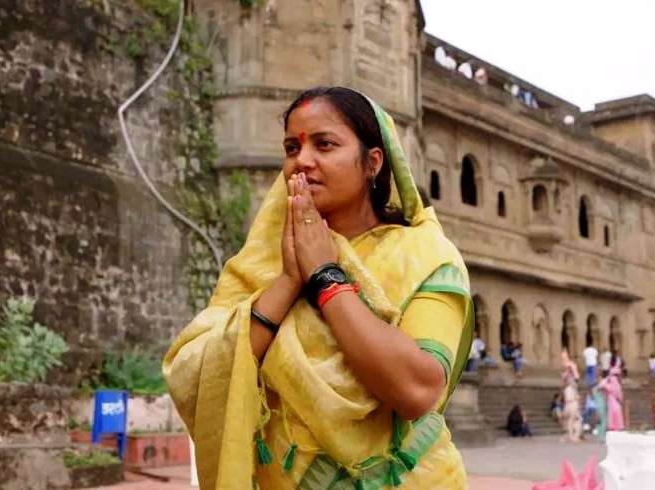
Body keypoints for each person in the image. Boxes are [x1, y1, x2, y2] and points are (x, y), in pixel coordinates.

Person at [164, 87, 474, 489]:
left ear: (372, 162)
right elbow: (198, 374)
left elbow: (417, 390)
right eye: (292, 147)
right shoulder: (263, 264)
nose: (302, 161)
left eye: (324, 144)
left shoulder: (423, 254)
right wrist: (290, 280)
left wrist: (326, 276)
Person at [598, 366, 625, 431]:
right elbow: (620, 396)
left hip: (611, 403)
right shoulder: (617, 385)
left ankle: (612, 427)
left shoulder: (609, 385)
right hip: (616, 404)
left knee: (611, 416)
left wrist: (607, 378)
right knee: (616, 417)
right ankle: (616, 428)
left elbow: (600, 385)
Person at [592, 377, 608, 442]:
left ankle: (599, 436)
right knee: (603, 421)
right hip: (602, 406)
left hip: (596, 406)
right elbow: (605, 398)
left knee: (598, 422)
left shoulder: (594, 389)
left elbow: (593, 397)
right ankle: (602, 437)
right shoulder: (602, 390)